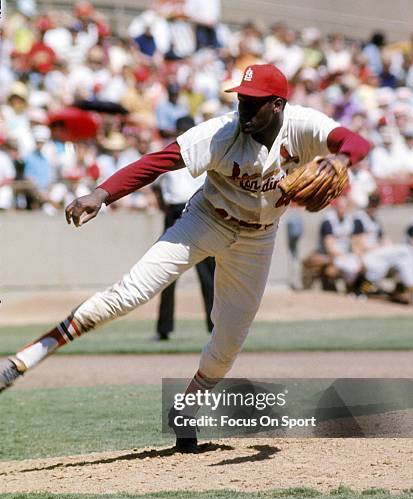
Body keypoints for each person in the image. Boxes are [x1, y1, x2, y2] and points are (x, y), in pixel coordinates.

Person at [0, 64, 370, 452]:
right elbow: (158, 161)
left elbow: (356, 142)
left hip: (258, 240)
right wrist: (101, 194)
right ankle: (22, 360)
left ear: (277, 105)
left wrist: (342, 160)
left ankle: (186, 408)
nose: (243, 108)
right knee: (126, 295)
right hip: (206, 219)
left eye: (254, 103)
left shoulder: (304, 126)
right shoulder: (220, 133)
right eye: (241, 99)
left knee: (227, 345)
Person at [154, 116, 215, 339]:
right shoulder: (203, 150)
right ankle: (166, 328)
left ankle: (212, 327)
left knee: (203, 273)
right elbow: (158, 188)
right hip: (189, 209)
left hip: (194, 208)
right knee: (168, 272)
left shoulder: (188, 151)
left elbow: (157, 188)